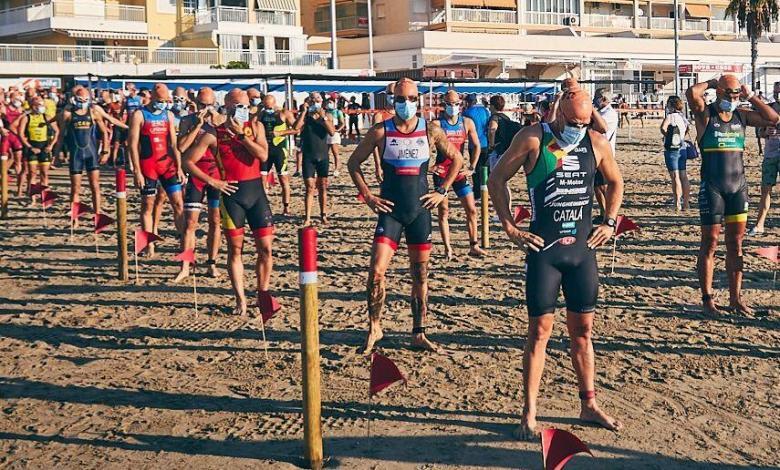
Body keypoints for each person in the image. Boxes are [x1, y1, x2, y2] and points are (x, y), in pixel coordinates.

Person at [487, 89, 625, 440]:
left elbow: (616, 181)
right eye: (574, 122)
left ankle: (588, 404)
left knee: (583, 333)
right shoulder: (533, 138)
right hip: (544, 253)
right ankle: (529, 412)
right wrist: (508, 226)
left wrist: (609, 222)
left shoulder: (595, 142)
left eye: (584, 122)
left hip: (582, 252)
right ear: (558, 114)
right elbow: (497, 178)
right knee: (539, 333)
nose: (578, 128)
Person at [347, 77, 464, 353]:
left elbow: (457, 159)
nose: (406, 104)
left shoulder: (430, 130)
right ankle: (375, 326)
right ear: (393, 101)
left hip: (420, 212)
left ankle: (418, 332)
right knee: (376, 271)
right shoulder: (380, 131)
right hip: (391, 213)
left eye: (411, 99)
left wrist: (443, 191)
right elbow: (353, 163)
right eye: (400, 99)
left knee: (420, 276)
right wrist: (368, 196)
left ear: (419, 99)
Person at [686, 75, 779, 315]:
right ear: (719, 93)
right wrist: (711, 82)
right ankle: (708, 300)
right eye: (730, 94)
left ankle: (735, 299)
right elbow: (691, 93)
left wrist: (750, 96)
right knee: (710, 244)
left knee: (736, 245)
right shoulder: (706, 114)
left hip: (738, 189)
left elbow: (773, 118)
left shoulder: (742, 115)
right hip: (713, 189)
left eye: (737, 94)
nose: (734, 98)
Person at [186, 88, 278, 317]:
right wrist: (213, 182)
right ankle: (240, 298)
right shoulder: (213, 133)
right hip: (232, 196)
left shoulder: (255, 128)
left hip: (256, 193)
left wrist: (242, 136)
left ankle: (262, 293)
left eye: (246, 106)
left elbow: (264, 156)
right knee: (235, 250)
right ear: (226, 107)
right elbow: (188, 161)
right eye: (238, 106)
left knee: (266, 249)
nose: (243, 110)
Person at [128, 83, 185, 256]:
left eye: (165, 100)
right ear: (152, 97)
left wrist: (180, 168)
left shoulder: (168, 115)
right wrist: (137, 171)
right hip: (148, 166)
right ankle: (149, 245)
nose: (162, 103)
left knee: (178, 204)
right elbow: (132, 144)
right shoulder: (139, 114)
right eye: (160, 100)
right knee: (147, 206)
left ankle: (183, 241)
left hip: (167, 165)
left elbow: (174, 144)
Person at [175, 87, 223, 282]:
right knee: (190, 223)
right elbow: (181, 147)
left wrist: (216, 122)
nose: (206, 108)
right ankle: (186, 265)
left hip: (215, 173)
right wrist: (197, 126)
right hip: (195, 173)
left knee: (215, 221)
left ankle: (211, 262)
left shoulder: (220, 121)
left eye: (209, 105)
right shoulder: (187, 120)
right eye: (202, 105)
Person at [430, 90, 485, 259]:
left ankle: (473, 245)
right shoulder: (437, 124)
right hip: (442, 171)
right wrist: (430, 167)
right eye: (449, 104)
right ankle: (448, 249)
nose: (452, 107)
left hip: (459, 172)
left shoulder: (467, 122)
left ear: (460, 105)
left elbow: (476, 145)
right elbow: (424, 148)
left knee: (471, 210)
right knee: (444, 211)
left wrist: (472, 166)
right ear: (443, 105)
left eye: (455, 104)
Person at [58, 87, 113, 222]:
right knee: (75, 188)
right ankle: (75, 217)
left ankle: (97, 212)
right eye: (80, 99)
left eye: (85, 99)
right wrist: (57, 153)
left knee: (95, 186)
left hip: (91, 154)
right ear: (74, 99)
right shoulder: (68, 114)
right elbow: (61, 135)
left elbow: (105, 132)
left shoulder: (93, 112)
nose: (83, 102)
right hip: (76, 155)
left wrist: (105, 151)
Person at [294, 92, 336, 225]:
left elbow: (332, 132)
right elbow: (296, 127)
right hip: (308, 156)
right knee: (309, 187)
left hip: (322, 155)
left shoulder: (327, 115)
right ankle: (307, 217)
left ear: (321, 101)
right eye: (312, 98)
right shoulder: (305, 116)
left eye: (317, 98)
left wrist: (322, 117)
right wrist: (304, 111)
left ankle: (323, 215)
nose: (315, 101)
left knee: (323, 186)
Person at [258, 94, 297, 216]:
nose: (268, 108)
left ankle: (286, 207)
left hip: (279, 150)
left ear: (274, 103)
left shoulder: (284, 113)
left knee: (283, 179)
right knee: (261, 179)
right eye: (265, 106)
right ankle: (263, 206)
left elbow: (297, 128)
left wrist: (281, 132)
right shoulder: (262, 113)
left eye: (269, 106)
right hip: (264, 149)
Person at [751, 81, 780, 235]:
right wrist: (766, 132)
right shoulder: (769, 109)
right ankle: (759, 224)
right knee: (765, 189)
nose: (777, 95)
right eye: (775, 92)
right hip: (770, 154)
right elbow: (761, 132)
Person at [18, 96, 59, 196]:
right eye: (40, 105)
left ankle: (44, 196)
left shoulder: (47, 117)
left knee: (44, 173)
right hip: (32, 146)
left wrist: (51, 145)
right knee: (32, 173)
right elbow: (20, 134)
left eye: (43, 105)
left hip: (44, 146)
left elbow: (57, 131)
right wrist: (30, 147)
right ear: (33, 106)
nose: (42, 107)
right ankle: (32, 198)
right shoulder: (26, 118)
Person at [660, 95, 691, 212]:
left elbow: (662, 128)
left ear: (671, 105)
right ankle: (686, 203)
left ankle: (677, 203)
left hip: (672, 148)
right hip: (682, 146)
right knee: (683, 175)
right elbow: (688, 129)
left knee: (675, 176)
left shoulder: (670, 116)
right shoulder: (683, 117)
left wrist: (668, 136)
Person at [593, 89, 619, 219]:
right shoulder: (600, 112)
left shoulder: (609, 114)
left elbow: (599, 128)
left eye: (597, 97)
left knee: (603, 186)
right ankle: (603, 211)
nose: (595, 99)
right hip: (595, 152)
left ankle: (609, 213)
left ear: (603, 99)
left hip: (604, 154)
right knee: (596, 185)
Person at [463, 93, 491, 200]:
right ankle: (486, 190)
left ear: (468, 102)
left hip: (474, 144)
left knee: (474, 168)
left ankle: (477, 193)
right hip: (486, 142)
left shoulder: (467, 112)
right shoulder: (484, 111)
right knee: (486, 168)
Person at [371, 83, 397, 182]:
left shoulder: (405, 116)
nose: (393, 96)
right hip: (385, 161)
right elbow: (373, 144)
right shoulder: (379, 116)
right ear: (385, 94)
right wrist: (377, 165)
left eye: (395, 93)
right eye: (390, 93)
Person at [325, 96, 345, 177]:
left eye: (330, 102)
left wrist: (338, 130)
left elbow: (342, 123)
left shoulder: (337, 112)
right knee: (325, 153)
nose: (329, 104)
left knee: (335, 152)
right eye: (328, 102)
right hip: (325, 133)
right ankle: (325, 168)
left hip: (334, 133)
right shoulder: (325, 112)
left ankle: (337, 169)